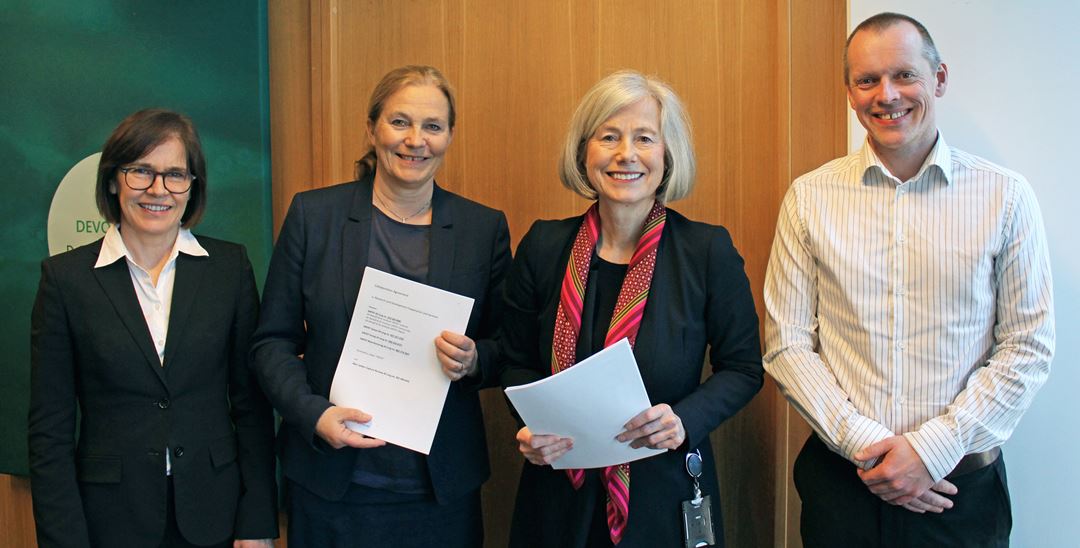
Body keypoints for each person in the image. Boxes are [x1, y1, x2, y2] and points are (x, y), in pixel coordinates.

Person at [763, 12, 1055, 548]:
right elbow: (787, 346)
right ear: (850, 93)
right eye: (867, 80)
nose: (887, 95)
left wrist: (928, 452)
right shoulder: (809, 199)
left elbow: (1028, 347)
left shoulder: (1005, 197)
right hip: (843, 490)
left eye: (904, 75)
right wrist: (874, 451)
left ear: (938, 78)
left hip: (959, 494)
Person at [500, 70, 763, 547]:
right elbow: (514, 359)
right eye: (609, 137)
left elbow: (743, 369)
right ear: (585, 152)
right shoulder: (543, 245)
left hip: (661, 491)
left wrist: (685, 419)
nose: (626, 154)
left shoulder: (707, 251)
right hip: (556, 494)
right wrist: (526, 427)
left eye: (644, 138)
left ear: (668, 154)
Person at [250, 65, 511, 546]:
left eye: (432, 126)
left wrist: (475, 360)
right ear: (371, 129)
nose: (416, 140)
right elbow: (272, 342)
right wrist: (313, 414)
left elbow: (506, 347)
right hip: (332, 485)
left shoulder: (482, 229)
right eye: (400, 122)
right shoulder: (314, 216)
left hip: (440, 492)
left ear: (450, 135)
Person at [28, 109, 278, 547]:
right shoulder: (66, 280)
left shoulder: (228, 269)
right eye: (141, 172)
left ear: (192, 186)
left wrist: (257, 522)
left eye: (175, 175)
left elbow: (252, 409)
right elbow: (49, 430)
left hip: (213, 516)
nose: (158, 190)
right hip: (110, 521)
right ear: (112, 180)